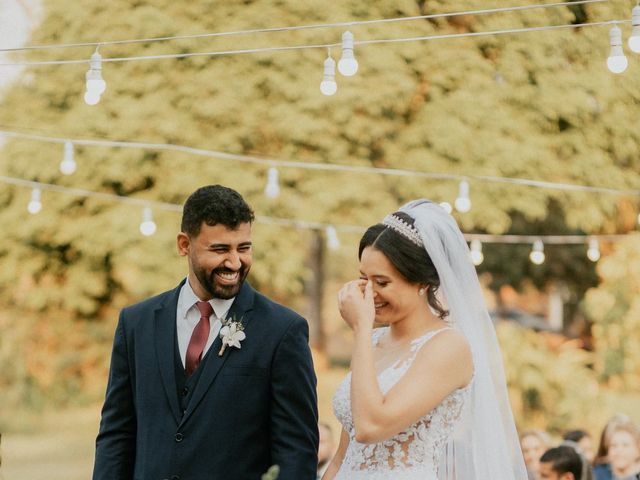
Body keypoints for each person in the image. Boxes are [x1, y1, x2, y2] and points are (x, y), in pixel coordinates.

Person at [92, 185, 319, 480]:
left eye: (244, 248)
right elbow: (116, 435)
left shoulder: (283, 331)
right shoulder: (136, 323)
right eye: (220, 249)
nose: (235, 263)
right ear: (184, 244)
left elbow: (297, 453)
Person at [323, 200, 527, 480]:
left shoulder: (448, 347)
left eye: (381, 282)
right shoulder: (372, 341)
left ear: (422, 282)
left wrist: (359, 329)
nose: (369, 293)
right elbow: (344, 454)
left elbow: (371, 426)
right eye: (363, 279)